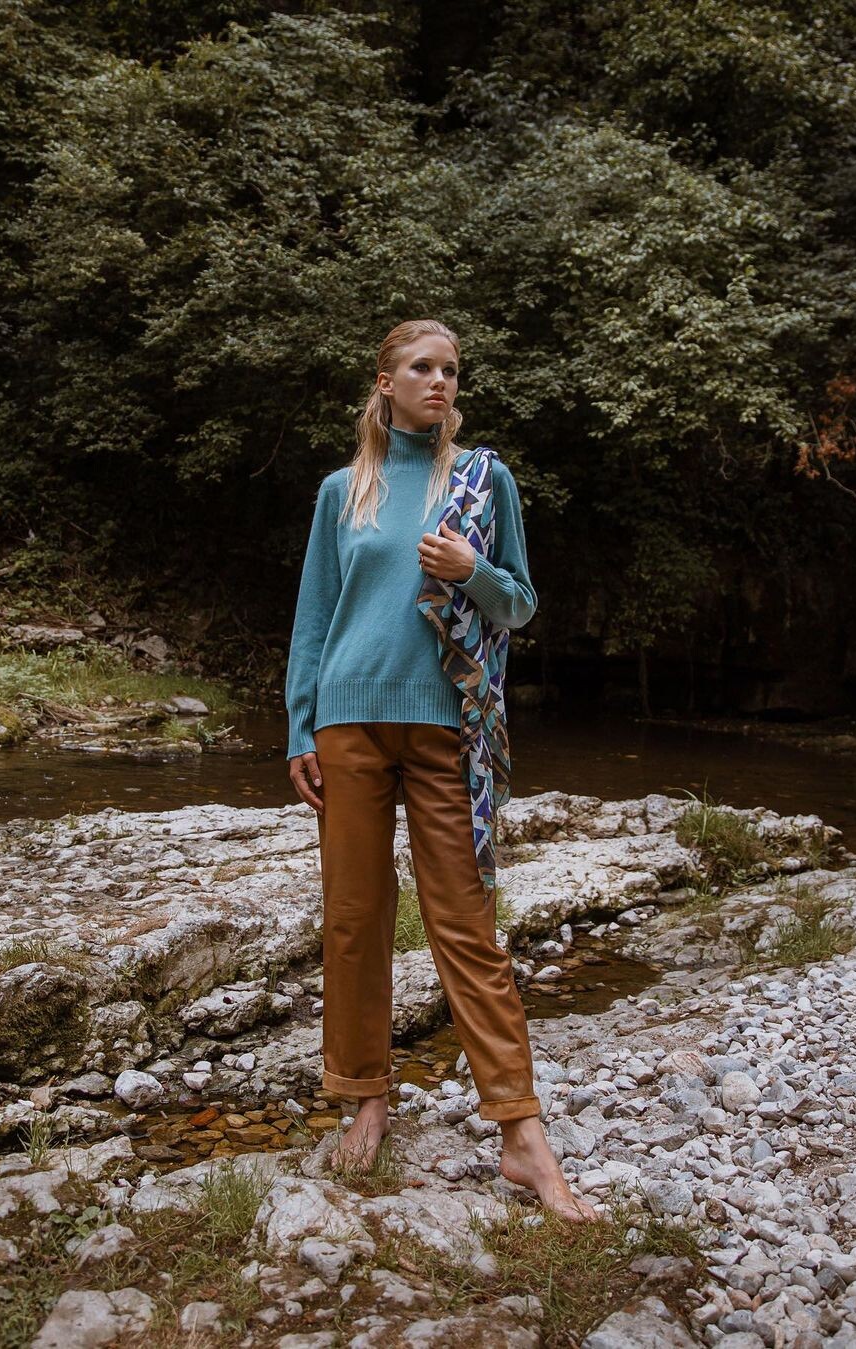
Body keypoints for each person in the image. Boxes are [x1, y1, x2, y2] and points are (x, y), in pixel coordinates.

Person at [284, 317, 597, 1221]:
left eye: (451, 370)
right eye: (422, 367)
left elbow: (520, 603)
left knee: (466, 924)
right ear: (385, 382)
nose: (440, 382)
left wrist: (472, 569)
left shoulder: (485, 480)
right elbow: (313, 617)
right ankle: (365, 1100)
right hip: (347, 723)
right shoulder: (344, 491)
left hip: (447, 726)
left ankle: (521, 1134)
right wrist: (300, 726)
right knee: (353, 918)